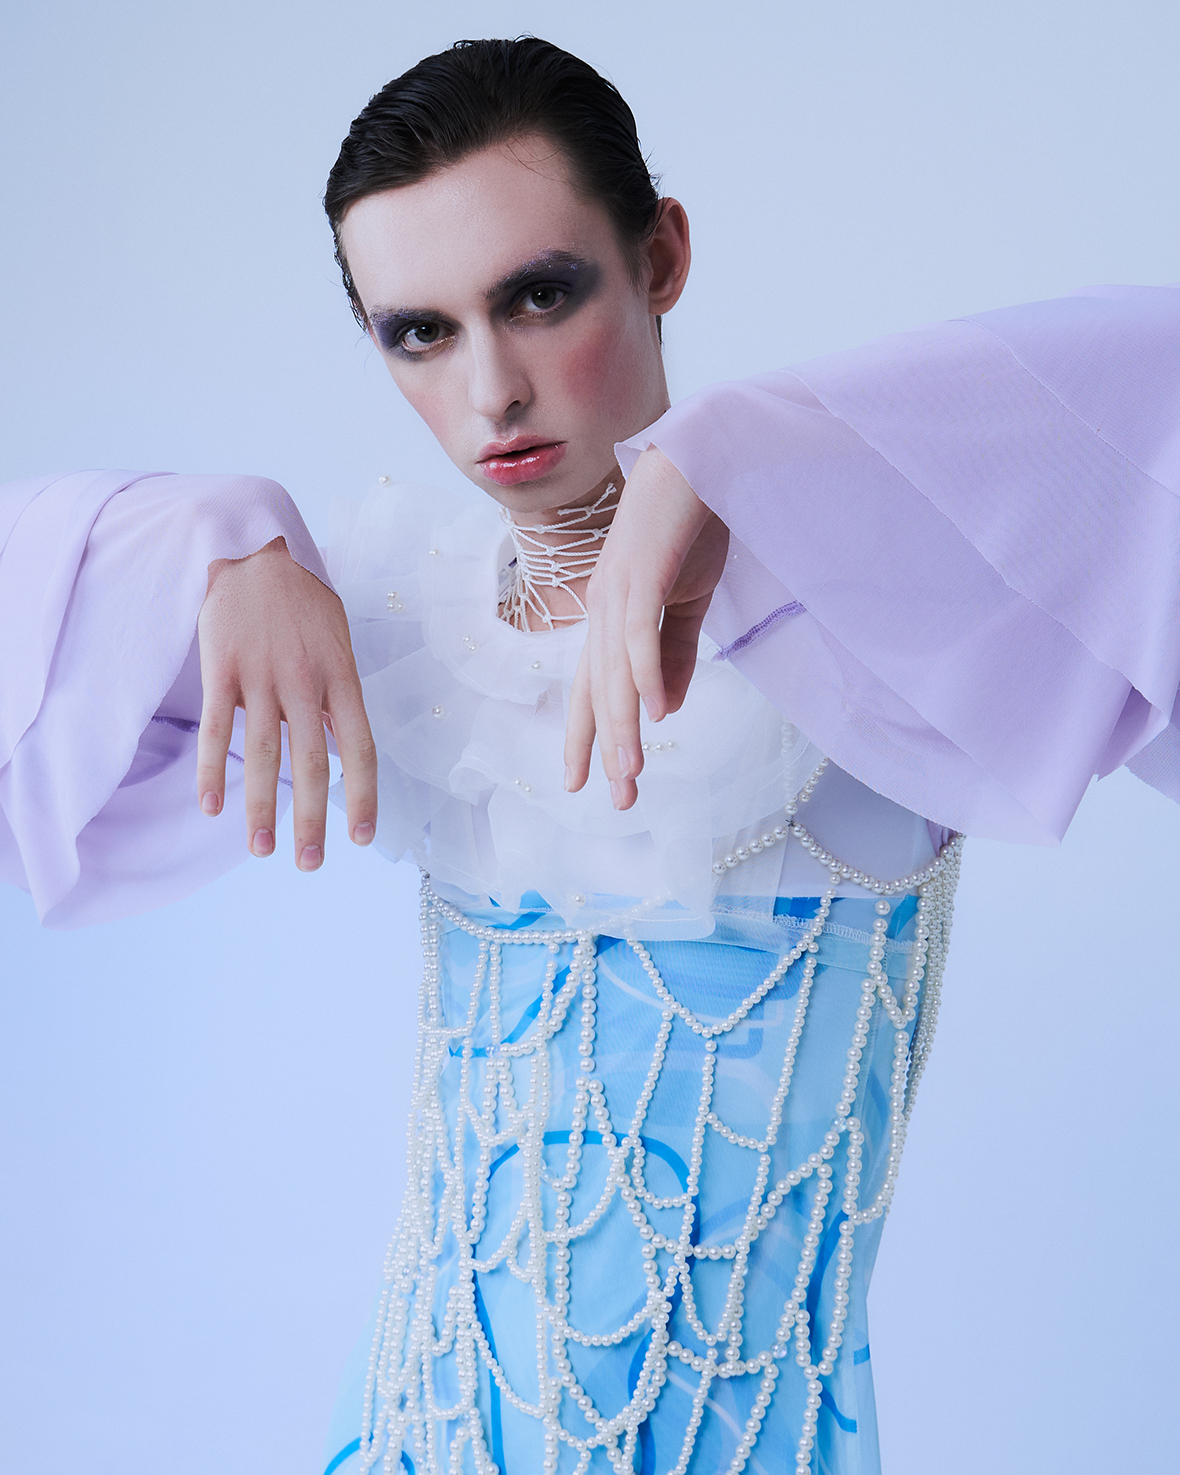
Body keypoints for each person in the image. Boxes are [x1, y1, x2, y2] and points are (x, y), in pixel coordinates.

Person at [1, 35, 1177, 1475]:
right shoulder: (404, 626)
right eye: (419, 332)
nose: (491, 389)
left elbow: (1149, 397)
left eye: (540, 296)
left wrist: (747, 449)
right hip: (414, 1428)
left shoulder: (873, 614)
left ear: (660, 256)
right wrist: (212, 531)